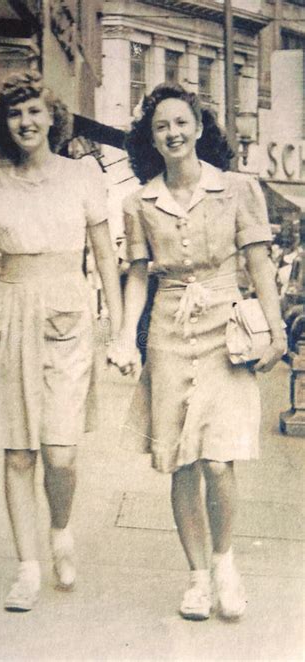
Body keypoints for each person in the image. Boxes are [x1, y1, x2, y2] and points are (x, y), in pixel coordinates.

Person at [0, 71, 122, 612]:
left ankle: (60, 529)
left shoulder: (83, 174)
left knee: (59, 453)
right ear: (4, 122)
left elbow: (105, 254)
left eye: (35, 111)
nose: (26, 122)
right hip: (9, 313)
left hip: (66, 312)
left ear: (52, 117)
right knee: (18, 453)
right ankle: (26, 567)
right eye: (16, 114)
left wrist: (117, 323)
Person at [109, 83, 286, 621]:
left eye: (181, 123)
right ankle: (196, 578)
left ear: (200, 128)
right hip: (168, 330)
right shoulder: (138, 201)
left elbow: (257, 264)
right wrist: (123, 334)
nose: (173, 133)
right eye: (161, 126)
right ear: (151, 137)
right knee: (181, 460)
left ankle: (225, 565)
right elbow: (137, 279)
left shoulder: (237, 189)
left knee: (218, 458)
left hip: (225, 329)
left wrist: (276, 330)